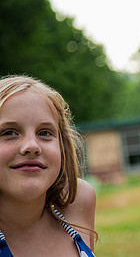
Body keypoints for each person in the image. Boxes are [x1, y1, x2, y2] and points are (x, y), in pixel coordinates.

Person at [0, 75, 97, 256]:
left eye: (44, 132)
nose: (32, 146)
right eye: (9, 132)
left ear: (63, 145)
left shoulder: (77, 201)